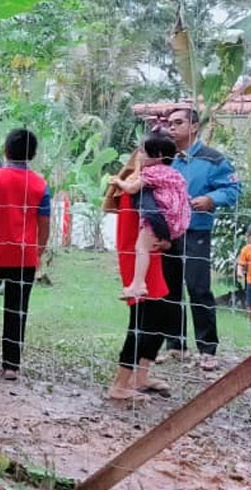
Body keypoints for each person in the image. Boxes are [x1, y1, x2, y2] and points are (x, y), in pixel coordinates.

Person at [157, 107, 240, 371]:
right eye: (170, 123)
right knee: (168, 289)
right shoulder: (165, 158)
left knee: (198, 288)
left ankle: (207, 349)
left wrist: (211, 200)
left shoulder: (213, 160)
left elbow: (233, 188)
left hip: (196, 232)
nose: (172, 128)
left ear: (193, 127)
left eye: (178, 122)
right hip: (168, 233)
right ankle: (175, 345)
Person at [0, 128, 50, 380]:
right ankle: (11, 366)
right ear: (33, 154)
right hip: (24, 258)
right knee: (17, 310)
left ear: (6, 150)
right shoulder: (40, 183)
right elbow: (44, 225)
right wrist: (38, 251)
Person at [105, 150, 173, 401]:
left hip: (146, 260)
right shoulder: (139, 188)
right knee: (142, 322)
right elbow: (154, 218)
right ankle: (120, 384)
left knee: (158, 317)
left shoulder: (136, 184)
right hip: (139, 263)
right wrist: (167, 238)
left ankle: (140, 376)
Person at [110, 133, 191, 300]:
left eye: (144, 153)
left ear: (158, 156)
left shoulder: (152, 173)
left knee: (141, 248)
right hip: (177, 222)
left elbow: (132, 188)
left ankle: (138, 284)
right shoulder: (173, 173)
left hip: (159, 219)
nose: (140, 156)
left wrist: (118, 182)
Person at [236, 229, 251, 326]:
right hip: (250, 283)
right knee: (250, 306)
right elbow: (240, 264)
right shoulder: (246, 249)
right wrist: (239, 272)